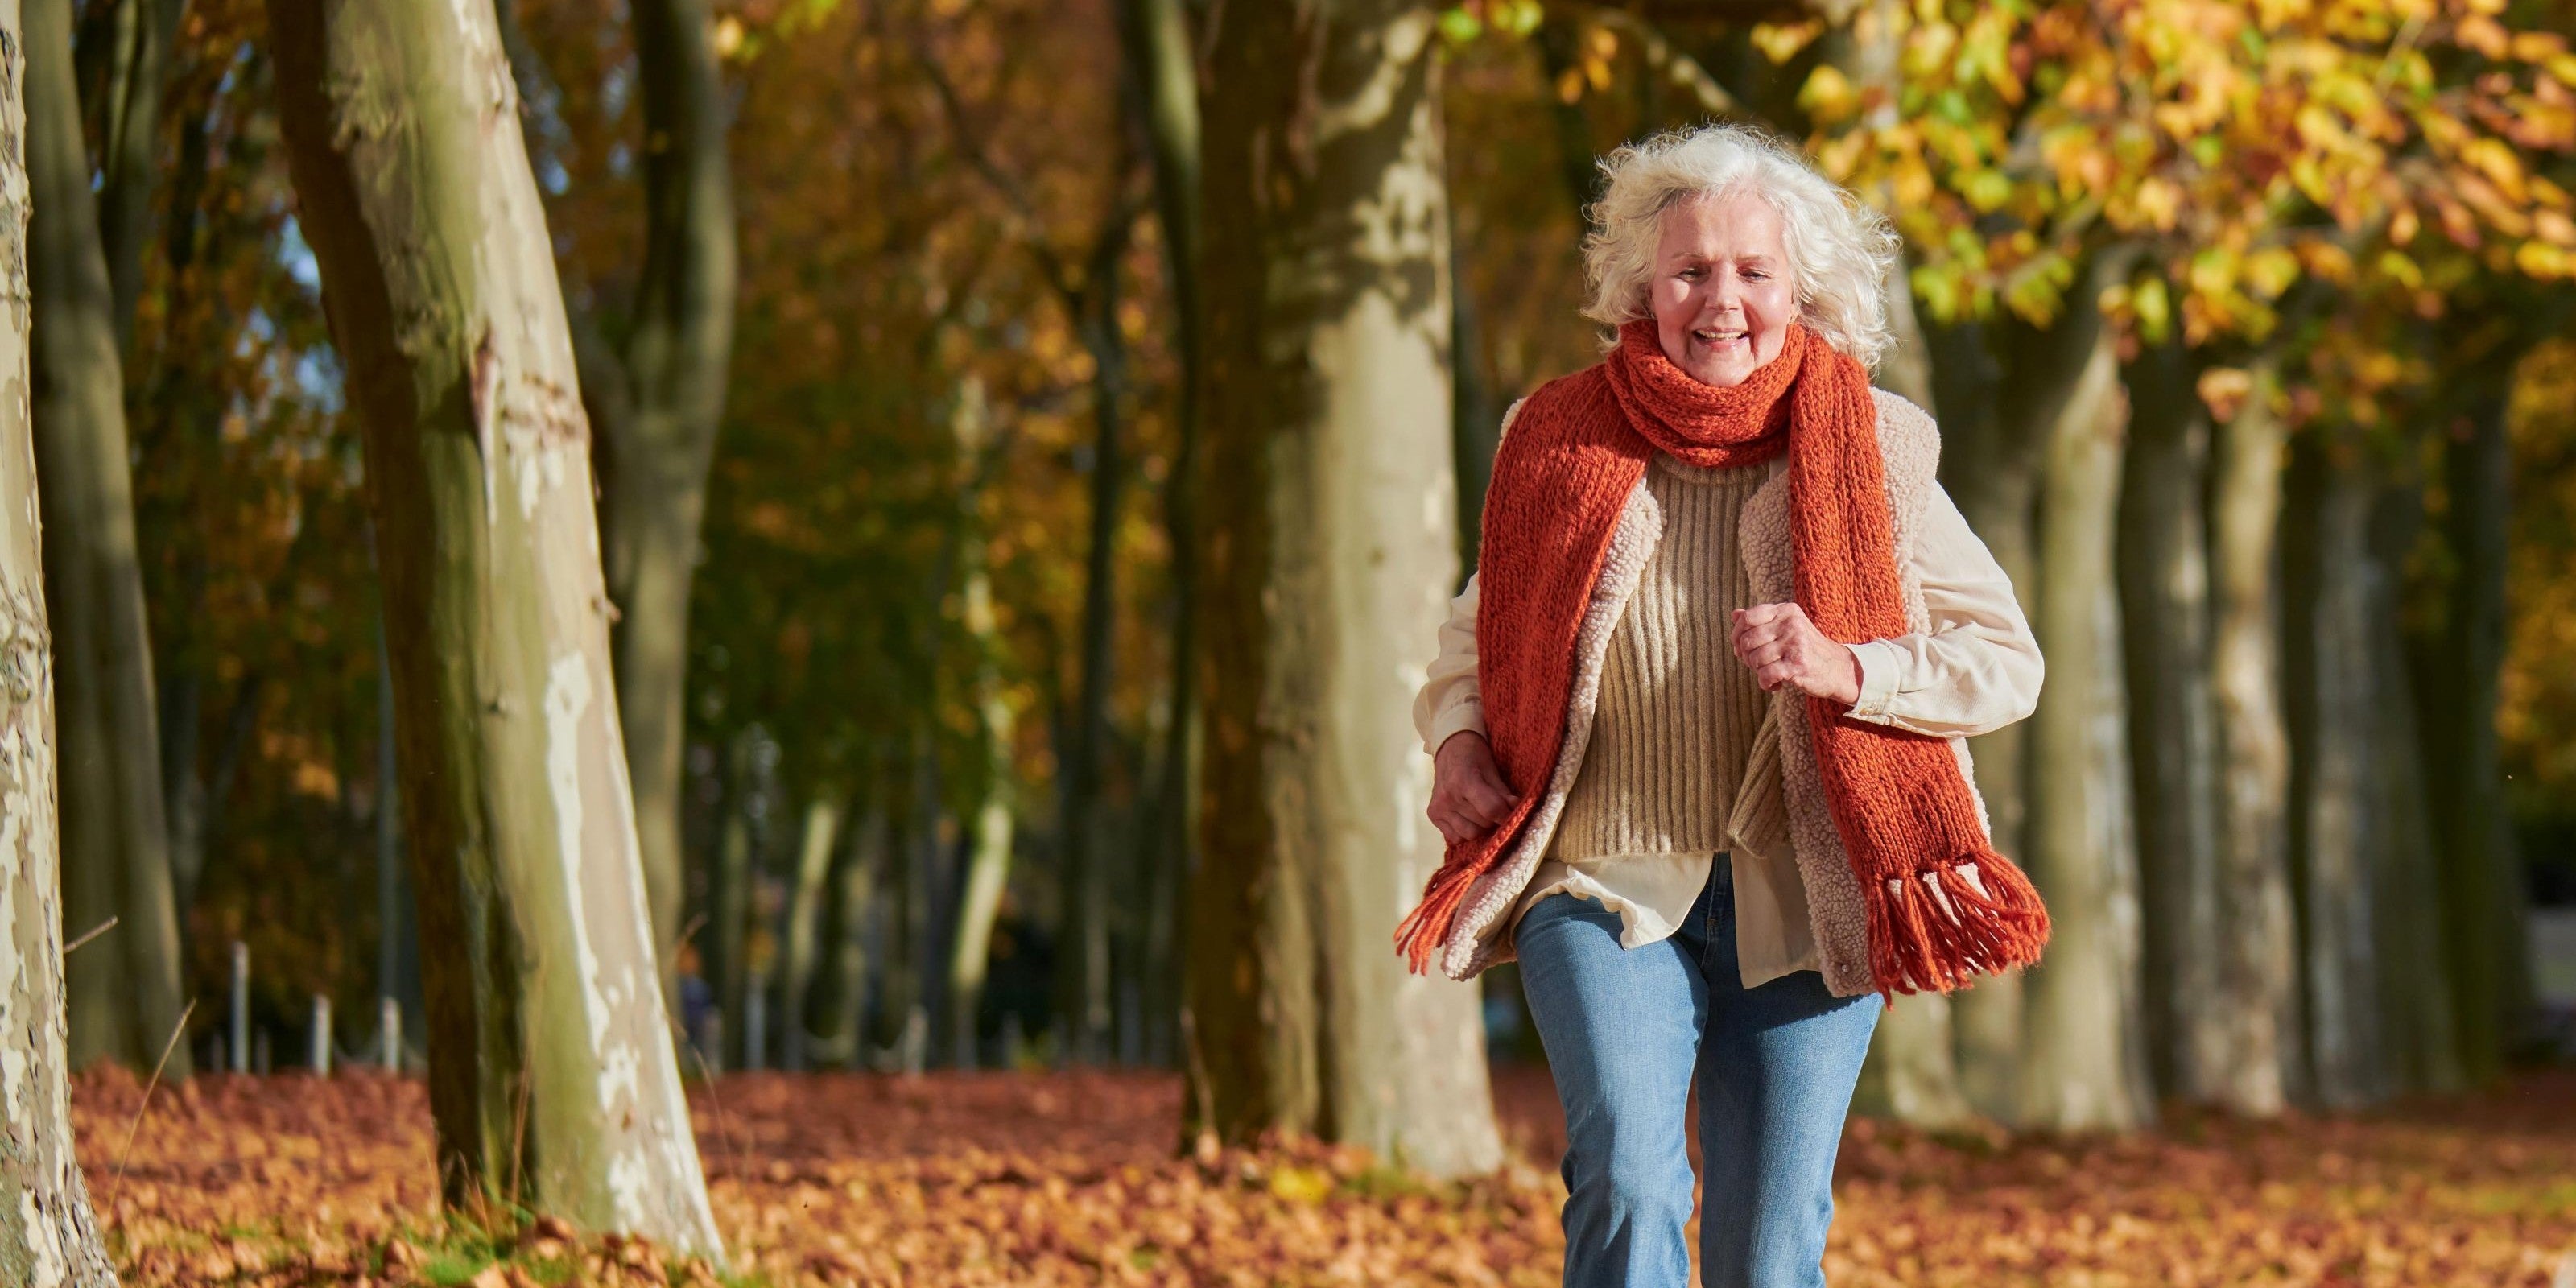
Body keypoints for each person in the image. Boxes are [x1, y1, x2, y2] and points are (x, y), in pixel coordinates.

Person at [1393, 124, 2050, 1288]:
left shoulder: (1880, 450)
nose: (1721, 301)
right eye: (1692, 270)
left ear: (1803, 289)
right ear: (1644, 285)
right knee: (1630, 1181)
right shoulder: (1555, 439)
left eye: (1754, 272)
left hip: (1808, 895)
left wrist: (1854, 669)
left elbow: (2006, 659)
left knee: (1770, 1244)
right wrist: (1454, 742)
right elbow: (1471, 641)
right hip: (1603, 884)